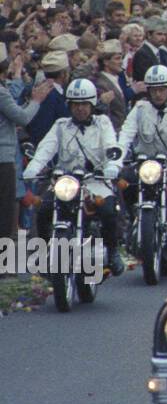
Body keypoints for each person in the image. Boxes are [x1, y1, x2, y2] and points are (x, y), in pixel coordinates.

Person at [22, 78, 124, 275]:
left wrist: (112, 166)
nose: (80, 109)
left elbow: (112, 145)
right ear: (69, 105)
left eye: (84, 104)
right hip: (65, 183)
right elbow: (45, 149)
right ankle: (43, 255)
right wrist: (33, 169)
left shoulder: (103, 123)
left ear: (92, 104)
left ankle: (112, 252)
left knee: (109, 211)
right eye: (76, 104)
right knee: (43, 210)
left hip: (94, 181)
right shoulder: (61, 125)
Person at [110, 64, 167, 226]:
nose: (158, 94)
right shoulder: (139, 110)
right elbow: (126, 135)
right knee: (124, 182)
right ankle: (131, 218)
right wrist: (116, 160)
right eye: (154, 90)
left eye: (162, 90)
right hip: (144, 164)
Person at [0, 74, 54, 244]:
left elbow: (13, 113)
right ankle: (3, 264)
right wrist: (36, 101)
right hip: (3, 159)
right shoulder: (1, 92)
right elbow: (22, 117)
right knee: (5, 214)